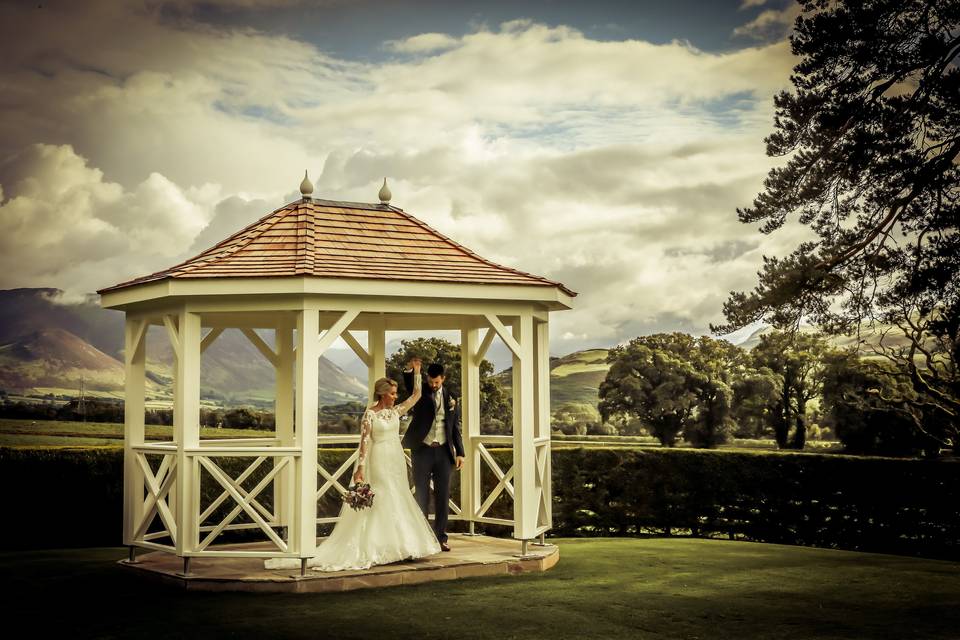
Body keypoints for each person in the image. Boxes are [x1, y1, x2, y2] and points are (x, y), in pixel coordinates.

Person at [264, 358, 440, 571]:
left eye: (395, 394)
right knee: (383, 496)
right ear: (382, 393)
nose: (395, 397)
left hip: (396, 459)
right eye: (392, 393)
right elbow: (364, 442)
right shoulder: (370, 415)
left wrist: (417, 372)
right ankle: (378, 546)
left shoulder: (395, 412)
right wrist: (360, 468)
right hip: (379, 460)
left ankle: (399, 545)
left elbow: (416, 395)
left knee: (398, 494)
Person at [402, 361, 465, 551]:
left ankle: (441, 538)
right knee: (421, 494)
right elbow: (409, 385)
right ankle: (422, 538)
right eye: (431, 381)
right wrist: (411, 371)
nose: (434, 385)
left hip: (444, 452)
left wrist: (460, 452)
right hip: (422, 450)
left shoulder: (451, 396)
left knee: (443, 495)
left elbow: (454, 426)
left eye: (437, 382)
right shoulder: (421, 393)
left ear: (443, 379)